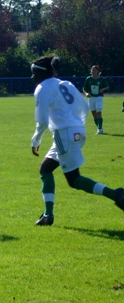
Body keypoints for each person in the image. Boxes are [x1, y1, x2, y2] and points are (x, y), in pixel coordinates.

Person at [30, 55, 124, 226]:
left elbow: (42, 120)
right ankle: (47, 215)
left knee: (74, 180)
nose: (32, 77)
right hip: (77, 132)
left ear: (41, 72)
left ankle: (116, 195)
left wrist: (35, 141)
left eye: (33, 73)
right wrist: (77, 128)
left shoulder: (42, 88)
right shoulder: (65, 84)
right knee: (45, 168)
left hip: (64, 134)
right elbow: (85, 106)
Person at [82, 65, 109, 134]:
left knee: (98, 111)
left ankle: (100, 129)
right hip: (91, 98)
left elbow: (107, 86)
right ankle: (99, 127)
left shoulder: (101, 79)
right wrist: (86, 94)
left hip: (99, 97)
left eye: (94, 70)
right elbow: (84, 89)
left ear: (97, 71)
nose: (93, 71)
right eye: (92, 70)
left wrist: (103, 89)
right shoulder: (88, 79)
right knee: (94, 114)